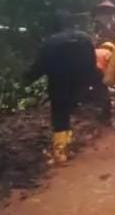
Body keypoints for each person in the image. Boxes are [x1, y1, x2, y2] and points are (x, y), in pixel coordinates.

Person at [25, 12, 99, 163]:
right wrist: (91, 82)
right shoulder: (84, 39)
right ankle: (68, 144)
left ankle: (60, 152)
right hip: (80, 86)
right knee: (69, 113)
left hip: (59, 85)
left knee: (60, 116)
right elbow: (92, 63)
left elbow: (39, 67)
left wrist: (26, 79)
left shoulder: (50, 43)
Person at [93, 41, 115, 121]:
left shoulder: (94, 51)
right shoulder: (109, 53)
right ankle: (105, 116)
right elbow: (112, 68)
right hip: (99, 74)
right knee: (104, 95)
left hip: (88, 73)